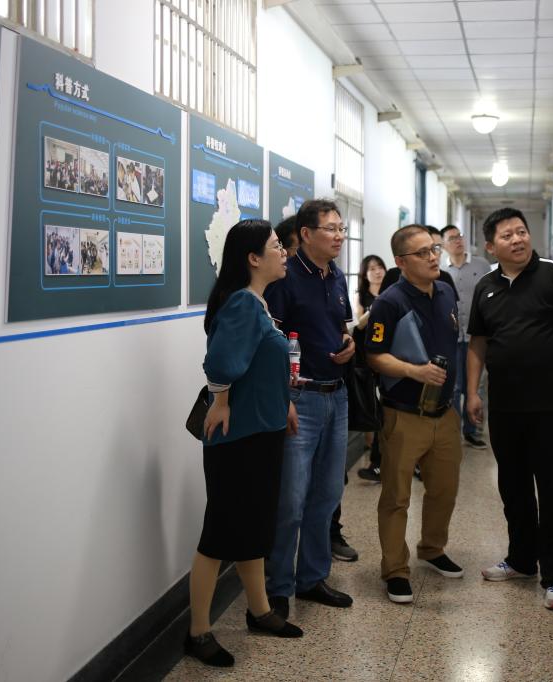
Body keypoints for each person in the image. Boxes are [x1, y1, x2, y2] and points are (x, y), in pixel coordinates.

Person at [466, 208, 553, 611]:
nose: (518, 239)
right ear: (491, 246)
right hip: (505, 406)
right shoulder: (486, 287)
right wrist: (472, 393)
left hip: (550, 405)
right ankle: (522, 560)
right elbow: (478, 343)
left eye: (521, 231)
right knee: (513, 488)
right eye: (507, 235)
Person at [186, 219, 303, 669]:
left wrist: (283, 403)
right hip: (238, 439)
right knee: (219, 536)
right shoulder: (241, 303)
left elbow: (259, 361)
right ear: (253, 258)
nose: (284, 252)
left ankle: (260, 611)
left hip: (262, 430)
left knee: (255, 527)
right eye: (276, 246)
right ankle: (198, 632)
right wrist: (220, 400)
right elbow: (220, 360)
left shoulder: (258, 301)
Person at [264, 199, 357, 619]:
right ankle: (278, 587)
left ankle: (312, 577)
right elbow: (272, 344)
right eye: (330, 229)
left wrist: (349, 344)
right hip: (299, 399)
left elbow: (341, 327)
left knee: (327, 494)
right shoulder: (285, 279)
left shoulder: (335, 276)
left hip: (337, 394)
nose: (339, 236)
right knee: (291, 500)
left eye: (341, 229)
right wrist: (281, 398)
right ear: (305, 234)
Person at [365, 224, 465, 604]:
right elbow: (374, 357)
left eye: (434, 249)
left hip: (445, 412)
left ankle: (432, 548)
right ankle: (395, 569)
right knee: (396, 496)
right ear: (402, 262)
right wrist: (414, 371)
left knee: (444, 489)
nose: (433, 257)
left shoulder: (446, 291)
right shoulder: (389, 302)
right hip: (404, 415)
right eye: (422, 253)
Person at [441, 224, 490, 449]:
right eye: (452, 238)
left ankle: (472, 431)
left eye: (459, 236)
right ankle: (454, 432)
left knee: (476, 386)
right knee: (455, 387)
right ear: (444, 245)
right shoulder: (442, 271)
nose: (458, 240)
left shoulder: (481, 265)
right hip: (451, 338)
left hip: (477, 337)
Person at [353, 255, 387, 483]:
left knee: (387, 407)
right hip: (366, 357)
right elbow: (359, 323)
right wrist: (376, 307)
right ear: (365, 275)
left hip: (389, 355)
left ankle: (380, 460)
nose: (377, 272)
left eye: (380, 267)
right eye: (371, 269)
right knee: (372, 405)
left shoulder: (393, 291)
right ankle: (375, 455)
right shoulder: (362, 296)